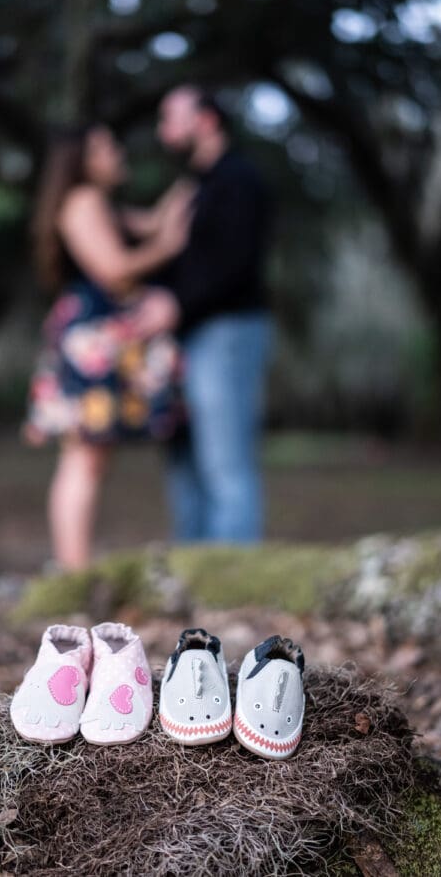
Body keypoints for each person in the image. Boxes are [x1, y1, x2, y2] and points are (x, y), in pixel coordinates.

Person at [27, 124, 190, 569]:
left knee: (88, 459)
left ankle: (72, 566)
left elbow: (154, 219)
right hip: (92, 338)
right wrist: (167, 245)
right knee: (84, 458)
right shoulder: (82, 201)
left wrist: (188, 183)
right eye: (106, 147)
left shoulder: (99, 203)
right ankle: (72, 569)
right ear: (83, 159)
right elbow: (114, 269)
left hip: (96, 336)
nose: (117, 152)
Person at [134, 86, 273, 542]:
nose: (163, 130)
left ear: (208, 120)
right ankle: (192, 576)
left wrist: (176, 304)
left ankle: (231, 582)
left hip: (226, 332)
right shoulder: (192, 188)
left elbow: (234, 264)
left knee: (224, 463)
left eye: (171, 117)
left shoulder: (238, 180)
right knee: (184, 463)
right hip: (186, 339)